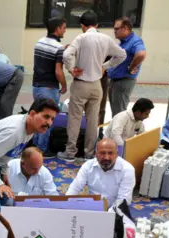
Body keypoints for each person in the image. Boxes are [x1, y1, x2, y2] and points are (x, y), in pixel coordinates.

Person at [59, 11, 126, 162]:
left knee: (75, 119)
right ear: (96, 25)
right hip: (97, 86)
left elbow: (66, 55)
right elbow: (122, 55)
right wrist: (105, 66)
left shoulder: (81, 38)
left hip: (81, 84)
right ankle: (89, 153)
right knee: (93, 120)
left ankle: (70, 152)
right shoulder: (106, 39)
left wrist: (71, 69)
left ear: (82, 26)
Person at [32, 17, 67, 156]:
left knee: (38, 117)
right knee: (47, 120)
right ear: (58, 28)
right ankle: (41, 151)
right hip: (49, 88)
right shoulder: (58, 48)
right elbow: (58, 71)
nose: (65, 30)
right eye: (64, 27)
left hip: (36, 86)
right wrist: (64, 85)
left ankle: (34, 147)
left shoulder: (39, 42)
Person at [66, 138, 135, 205]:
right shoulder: (88, 166)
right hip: (93, 208)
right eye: (102, 153)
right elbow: (75, 188)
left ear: (117, 154)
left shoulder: (127, 170)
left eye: (110, 153)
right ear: (96, 154)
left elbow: (123, 201)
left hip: (115, 211)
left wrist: (107, 215)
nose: (106, 157)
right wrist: (66, 204)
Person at [107, 17, 146, 116]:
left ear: (124, 28)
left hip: (123, 81)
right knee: (116, 113)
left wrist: (132, 67)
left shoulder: (135, 41)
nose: (114, 31)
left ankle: (119, 131)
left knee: (119, 114)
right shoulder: (124, 42)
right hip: (116, 81)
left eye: (116, 29)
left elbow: (141, 54)